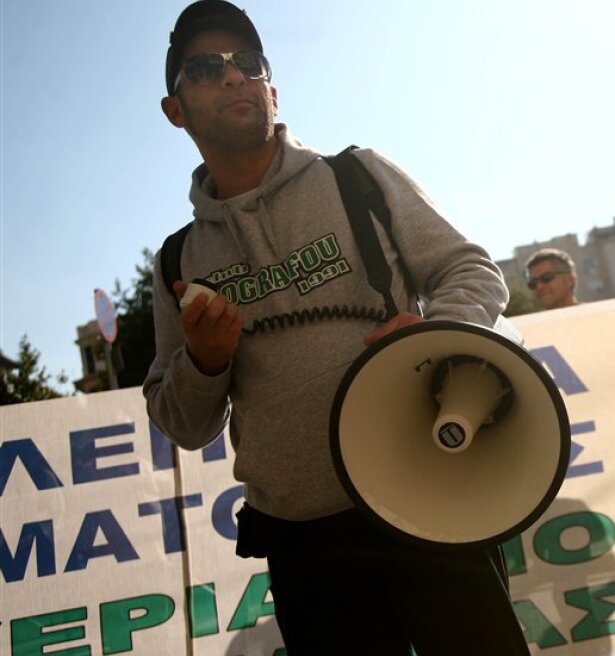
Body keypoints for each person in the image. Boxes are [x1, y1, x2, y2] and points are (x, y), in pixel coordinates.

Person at [143, 2, 529, 654]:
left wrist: (436, 334)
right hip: (303, 544)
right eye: (207, 68)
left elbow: (473, 272)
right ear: (175, 109)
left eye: (249, 63)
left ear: (272, 87)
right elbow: (180, 422)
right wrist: (205, 361)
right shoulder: (178, 261)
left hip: (429, 494)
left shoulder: (359, 177)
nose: (234, 77)